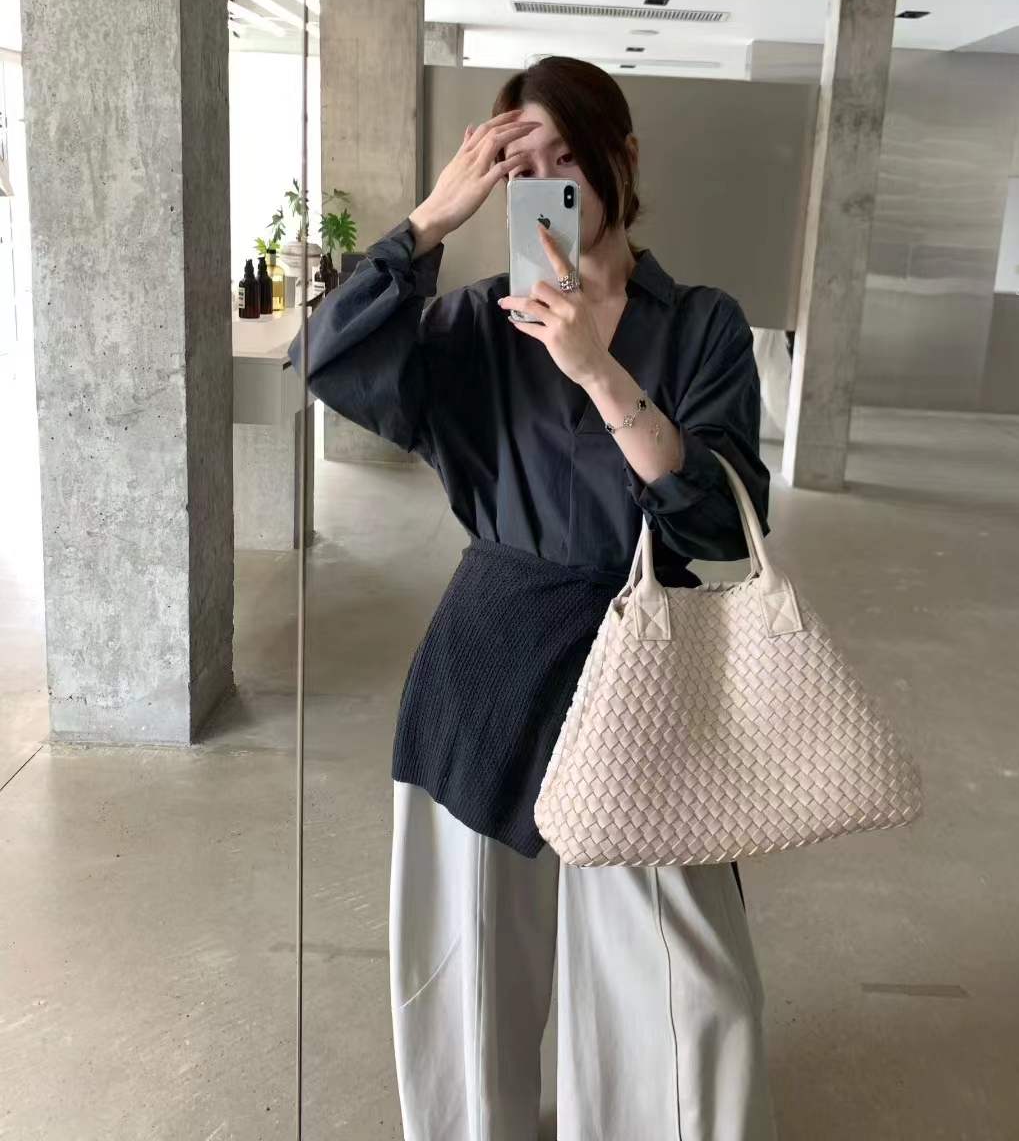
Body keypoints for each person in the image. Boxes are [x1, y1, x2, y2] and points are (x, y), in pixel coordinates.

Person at [291, 56, 776, 1140]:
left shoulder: (701, 325)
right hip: (490, 664)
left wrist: (599, 369)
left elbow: (719, 523)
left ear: (622, 158)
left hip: (642, 664)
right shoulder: (475, 324)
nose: (547, 182)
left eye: (567, 158)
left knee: (694, 990)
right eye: (520, 167)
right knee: (469, 973)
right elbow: (326, 361)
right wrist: (430, 219)